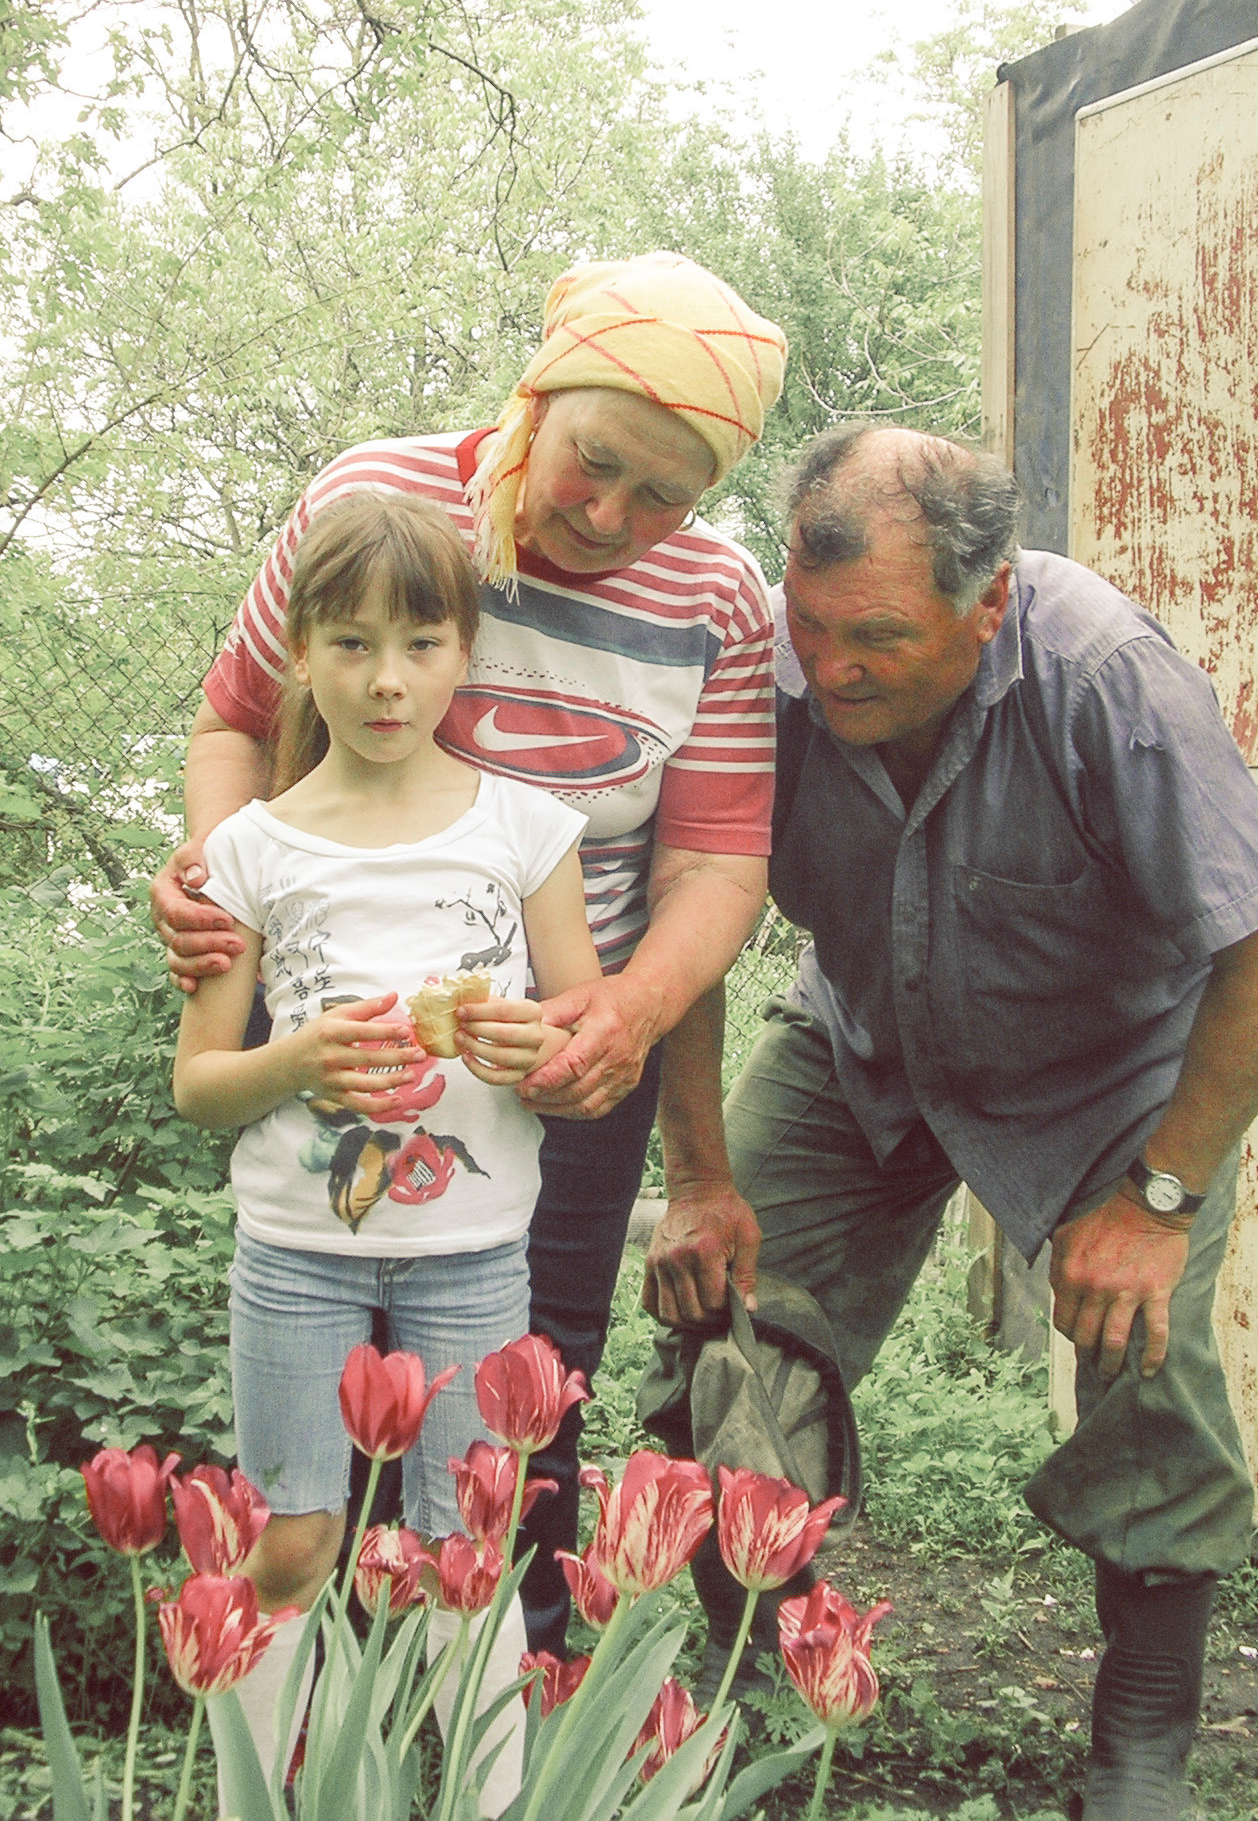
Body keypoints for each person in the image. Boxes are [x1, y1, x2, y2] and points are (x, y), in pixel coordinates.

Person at [641, 425, 1258, 1820]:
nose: (830, 667)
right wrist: (700, 1175)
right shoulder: (752, 672)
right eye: (813, 622)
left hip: (1106, 1073)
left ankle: (1137, 1752)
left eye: (878, 636)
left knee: (1150, 1365)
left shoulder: (1101, 675)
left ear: (989, 600)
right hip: (861, 1042)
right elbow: (683, 922)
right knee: (726, 1316)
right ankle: (759, 1681)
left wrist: (1154, 1202)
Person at [151, 251, 787, 1652]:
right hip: (330, 1066)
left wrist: (620, 1013)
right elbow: (233, 724)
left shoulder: (722, 602)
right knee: (319, 1425)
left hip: (556, 1066)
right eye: (593, 461)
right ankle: (325, 1727)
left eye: (664, 494)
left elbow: (714, 858)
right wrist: (212, 880)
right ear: (536, 394)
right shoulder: (376, 502)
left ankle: (508, 1716)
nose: (611, 514)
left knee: (517, 1418)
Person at [173, 491, 602, 1805]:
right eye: (350, 643)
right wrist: (299, 1062)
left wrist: (535, 1051)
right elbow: (200, 1084)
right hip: (295, 1253)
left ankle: (481, 1801)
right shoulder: (248, 849)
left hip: (470, 1253)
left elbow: (579, 1051)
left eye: (419, 642)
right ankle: (276, 1795)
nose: (384, 678)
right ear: (297, 652)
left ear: (463, 652)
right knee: (293, 1540)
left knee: (466, 1547)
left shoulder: (524, 831)